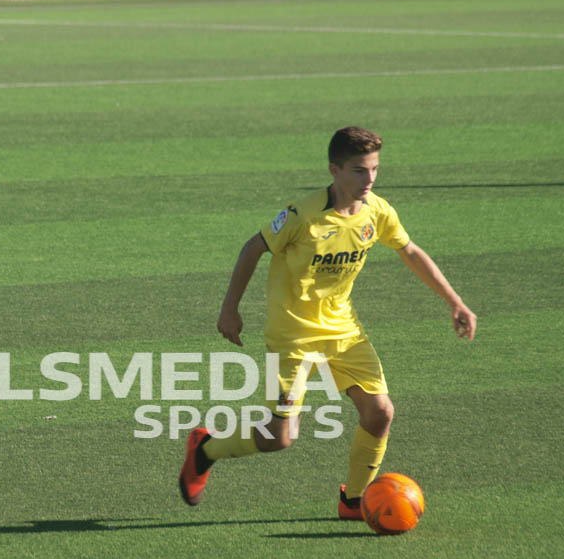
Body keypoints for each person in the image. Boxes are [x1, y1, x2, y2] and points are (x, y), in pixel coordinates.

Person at [178, 126, 477, 517]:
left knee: (380, 412)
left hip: (344, 331)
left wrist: (454, 301)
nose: (368, 179)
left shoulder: (378, 212)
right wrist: (229, 309)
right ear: (334, 170)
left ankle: (354, 500)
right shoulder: (302, 216)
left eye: (373, 169)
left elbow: (410, 251)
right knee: (278, 438)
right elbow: (252, 248)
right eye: (358, 170)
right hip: (292, 336)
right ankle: (205, 450)